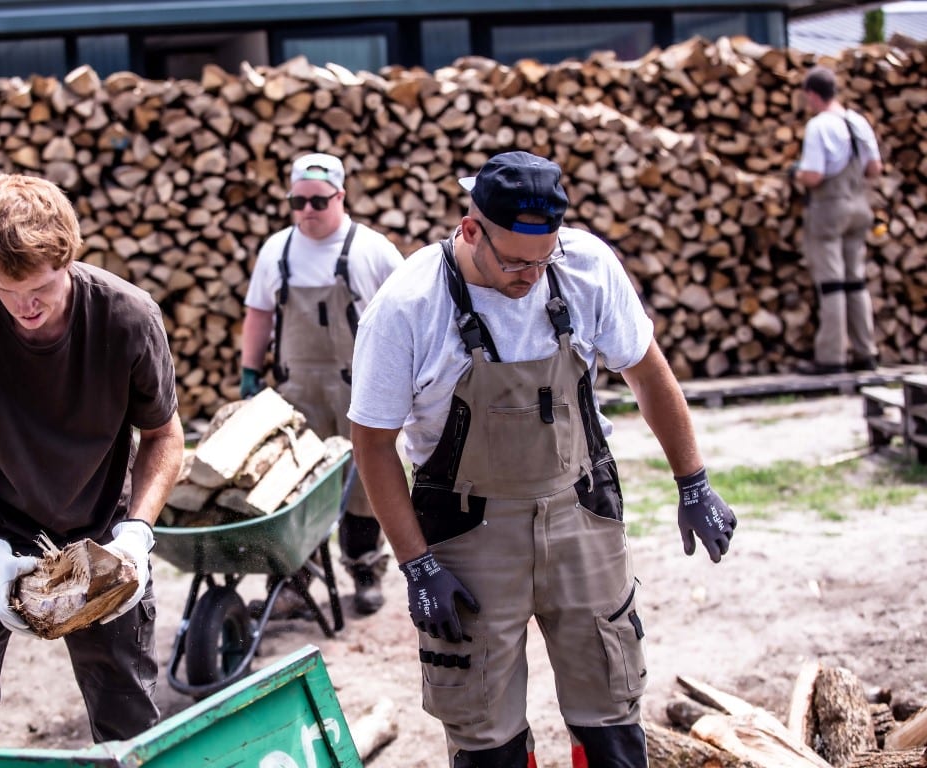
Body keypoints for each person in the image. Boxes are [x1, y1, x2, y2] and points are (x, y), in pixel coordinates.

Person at [348, 151, 737, 768]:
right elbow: (371, 443)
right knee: (483, 727)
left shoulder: (585, 267)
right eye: (515, 262)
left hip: (582, 508)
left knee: (611, 707)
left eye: (544, 259)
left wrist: (694, 482)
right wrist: (416, 564)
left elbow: (647, 372)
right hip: (467, 528)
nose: (532, 276)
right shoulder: (407, 306)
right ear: (471, 230)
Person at [0, 173, 185, 746]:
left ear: (67, 258)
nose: (25, 306)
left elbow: (163, 435)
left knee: (128, 711)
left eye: (38, 288)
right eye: (7, 290)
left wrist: (136, 536)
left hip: (103, 535)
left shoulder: (127, 317)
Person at [240, 152, 405, 616]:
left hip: (361, 393)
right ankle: (294, 584)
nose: (307, 211)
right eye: (298, 201)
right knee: (296, 488)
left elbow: (406, 315)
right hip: (297, 393)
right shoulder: (277, 250)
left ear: (340, 196)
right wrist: (250, 371)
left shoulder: (373, 250)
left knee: (363, 488)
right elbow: (259, 314)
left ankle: (365, 570)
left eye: (317, 200)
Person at [792, 64, 883, 375]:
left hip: (830, 208)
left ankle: (832, 356)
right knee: (855, 281)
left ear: (812, 95)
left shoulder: (820, 126)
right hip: (860, 204)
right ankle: (865, 351)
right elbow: (874, 169)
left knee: (832, 284)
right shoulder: (857, 122)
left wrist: (797, 174)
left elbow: (815, 175)